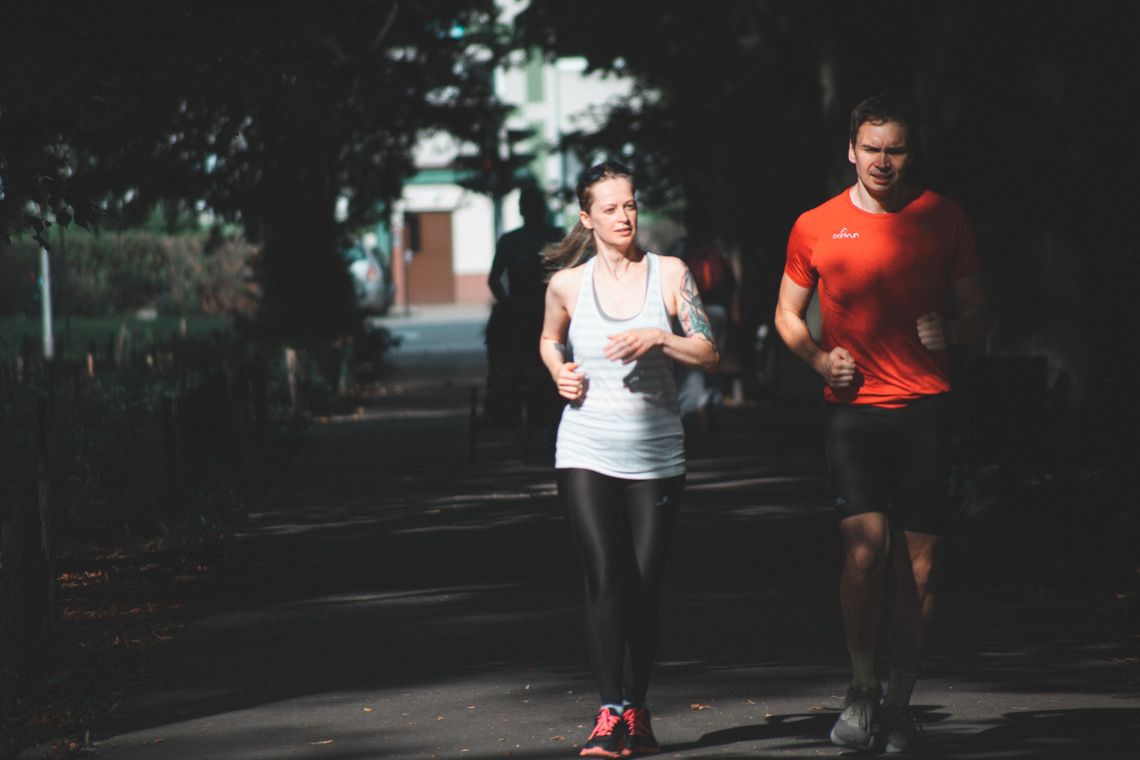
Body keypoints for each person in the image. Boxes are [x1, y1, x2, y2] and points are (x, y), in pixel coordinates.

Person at [774, 93, 988, 754]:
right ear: (851, 151)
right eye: (872, 149)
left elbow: (980, 314)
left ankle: (899, 701)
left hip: (926, 408)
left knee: (919, 571)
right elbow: (785, 315)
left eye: (895, 149)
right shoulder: (816, 224)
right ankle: (862, 689)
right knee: (864, 556)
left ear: (910, 152)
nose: (883, 161)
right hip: (856, 414)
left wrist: (949, 327)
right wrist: (818, 359)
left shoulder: (943, 217)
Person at [539, 162, 718, 757]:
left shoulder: (668, 274)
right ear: (587, 218)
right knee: (607, 576)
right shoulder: (567, 284)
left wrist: (660, 337)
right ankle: (607, 711)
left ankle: (637, 710)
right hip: (585, 448)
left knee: (641, 584)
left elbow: (709, 351)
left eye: (631, 205)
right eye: (611, 208)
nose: (624, 217)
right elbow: (549, 337)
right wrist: (557, 370)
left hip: (656, 455)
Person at [485, 183, 564, 433]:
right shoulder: (554, 236)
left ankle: (503, 402)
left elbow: (493, 280)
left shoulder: (513, 240)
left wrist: (507, 302)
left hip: (522, 310)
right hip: (539, 308)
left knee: (501, 349)